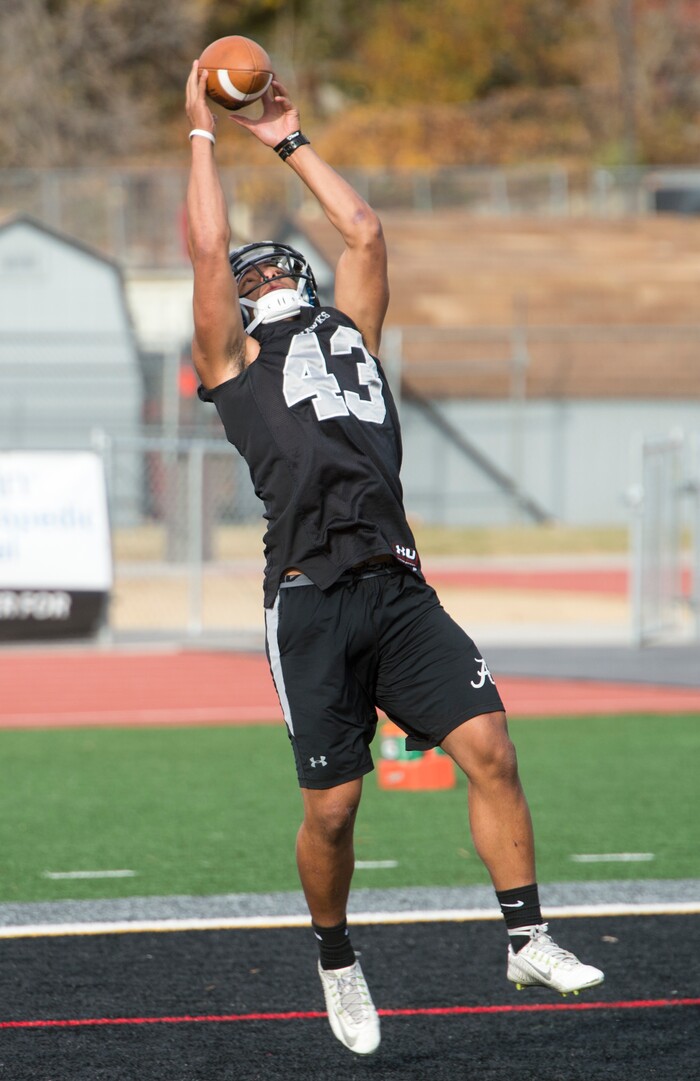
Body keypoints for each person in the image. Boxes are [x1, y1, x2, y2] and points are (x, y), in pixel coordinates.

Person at [184, 59, 604, 1057]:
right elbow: (203, 252)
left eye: (278, 263)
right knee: (331, 814)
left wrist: (283, 138)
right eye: (250, 276)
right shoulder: (235, 368)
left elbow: (365, 229)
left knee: (491, 749)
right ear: (234, 309)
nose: (266, 274)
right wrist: (196, 127)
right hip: (309, 599)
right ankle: (335, 956)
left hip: (399, 585)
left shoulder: (353, 334)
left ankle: (525, 935)